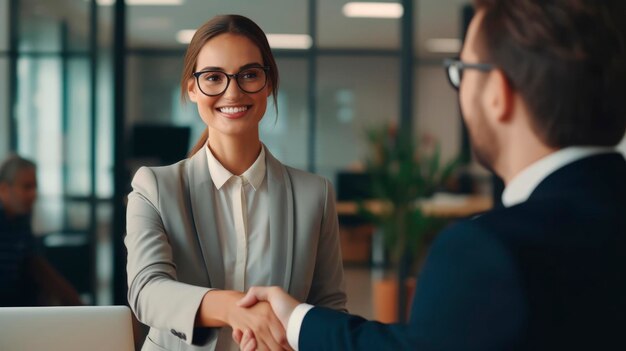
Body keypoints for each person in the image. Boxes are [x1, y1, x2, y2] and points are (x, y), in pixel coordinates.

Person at [237, 0, 626, 350]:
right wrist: (299, 320)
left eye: (462, 71)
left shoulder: (486, 251)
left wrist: (295, 322)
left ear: (497, 93)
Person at [124, 14, 347, 351]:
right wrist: (235, 310)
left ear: (268, 83)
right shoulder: (154, 186)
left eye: (249, 75)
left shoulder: (314, 194)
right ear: (192, 88)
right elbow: (146, 291)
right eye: (213, 77)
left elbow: (329, 308)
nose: (233, 90)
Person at [0, 154, 83, 307]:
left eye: (35, 187)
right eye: (26, 187)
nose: (34, 194)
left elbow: (38, 265)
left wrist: (78, 304)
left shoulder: (21, 219)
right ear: (4, 189)